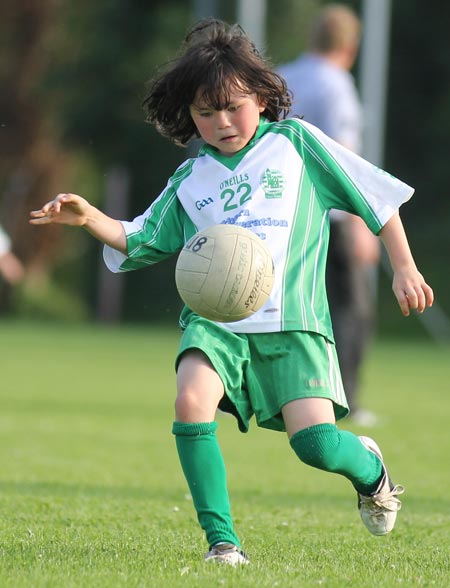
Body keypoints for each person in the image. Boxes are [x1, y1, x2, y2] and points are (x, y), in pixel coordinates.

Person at [29, 18, 434, 566]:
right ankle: (223, 544)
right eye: (204, 111)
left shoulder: (298, 146)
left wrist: (403, 267)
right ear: (188, 116)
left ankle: (370, 469)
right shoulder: (192, 177)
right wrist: (89, 216)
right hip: (216, 321)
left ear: (263, 98)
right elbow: (140, 238)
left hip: (294, 323)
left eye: (233, 106)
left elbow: (377, 200)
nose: (221, 122)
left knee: (314, 445)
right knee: (190, 400)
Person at [278, 4, 380, 425]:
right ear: (351, 47)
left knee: (285, 307)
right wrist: (361, 224)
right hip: (331, 216)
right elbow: (344, 158)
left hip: (283, 212)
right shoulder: (337, 85)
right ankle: (346, 400)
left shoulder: (284, 75)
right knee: (351, 309)